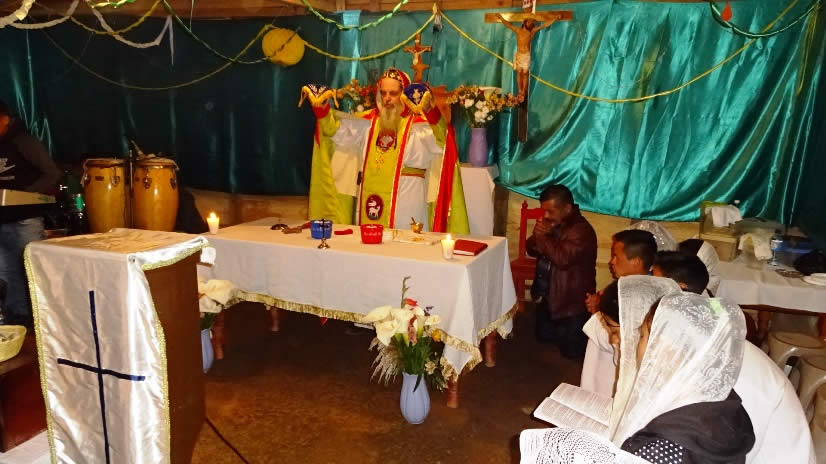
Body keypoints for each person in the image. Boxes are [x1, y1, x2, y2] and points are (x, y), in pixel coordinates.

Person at [521, 277, 756, 463]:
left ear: (667, 349)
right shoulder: (720, 393)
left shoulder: (659, 448)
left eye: (642, 335)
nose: (633, 341)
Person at [590, 276, 814, 464]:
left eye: (641, 335)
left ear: (664, 341)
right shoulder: (704, 361)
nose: (616, 341)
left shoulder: (736, 376)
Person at [304, 68, 469, 234]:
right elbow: (335, 132)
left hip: (407, 200)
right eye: (383, 93)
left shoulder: (420, 126)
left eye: (393, 93)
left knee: (406, 245)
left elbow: (443, 138)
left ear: (404, 94)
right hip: (368, 196)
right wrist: (321, 109)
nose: (387, 98)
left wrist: (429, 110)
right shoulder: (366, 123)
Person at [0, 100, 61, 326]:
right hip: (2, 218)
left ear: (5, 119)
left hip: (25, 219)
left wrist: (25, 194)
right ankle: (18, 318)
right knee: (6, 272)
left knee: (32, 270)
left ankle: (42, 320)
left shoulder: (24, 142)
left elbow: (52, 174)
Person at [580, 229, 656, 395]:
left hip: (612, 374)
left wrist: (598, 313)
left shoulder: (641, 298)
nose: (611, 262)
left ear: (636, 262)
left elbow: (615, 343)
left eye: (616, 256)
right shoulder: (623, 288)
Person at [526, 184, 597, 358]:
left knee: (572, 353)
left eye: (550, 211)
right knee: (542, 338)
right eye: (544, 211)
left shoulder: (581, 230)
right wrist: (537, 236)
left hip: (571, 303)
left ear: (567, 208)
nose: (545, 216)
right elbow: (532, 250)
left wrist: (543, 237)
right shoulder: (556, 222)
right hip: (551, 297)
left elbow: (562, 259)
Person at [494, 14, 557, 101]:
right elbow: (508, 25)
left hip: (526, 55)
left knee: (525, 73)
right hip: (519, 55)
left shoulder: (532, 32)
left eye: (532, 22)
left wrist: (555, 18)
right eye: (529, 22)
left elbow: (544, 25)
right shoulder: (518, 30)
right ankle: (520, 90)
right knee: (519, 72)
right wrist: (501, 18)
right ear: (525, 23)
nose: (531, 24)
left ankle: (523, 91)